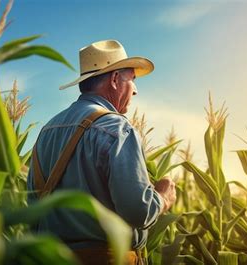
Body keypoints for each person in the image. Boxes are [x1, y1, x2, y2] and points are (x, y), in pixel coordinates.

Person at [26, 40, 176, 265]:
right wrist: (163, 198)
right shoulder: (118, 129)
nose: (135, 90)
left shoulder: (46, 131)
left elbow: (33, 204)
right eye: (132, 79)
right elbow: (138, 211)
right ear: (115, 79)